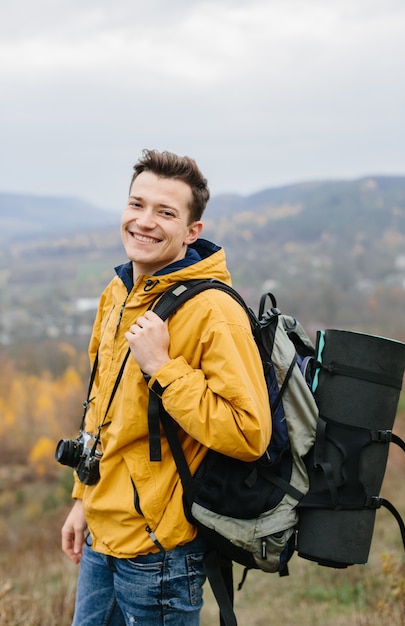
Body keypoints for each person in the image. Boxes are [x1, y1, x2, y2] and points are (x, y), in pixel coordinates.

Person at [60, 149, 271, 626]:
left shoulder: (214, 312)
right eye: (137, 205)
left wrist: (163, 368)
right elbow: (100, 412)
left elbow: (249, 433)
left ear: (191, 232)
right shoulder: (118, 293)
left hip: (160, 553)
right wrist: (82, 499)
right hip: (102, 532)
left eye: (165, 212)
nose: (144, 221)